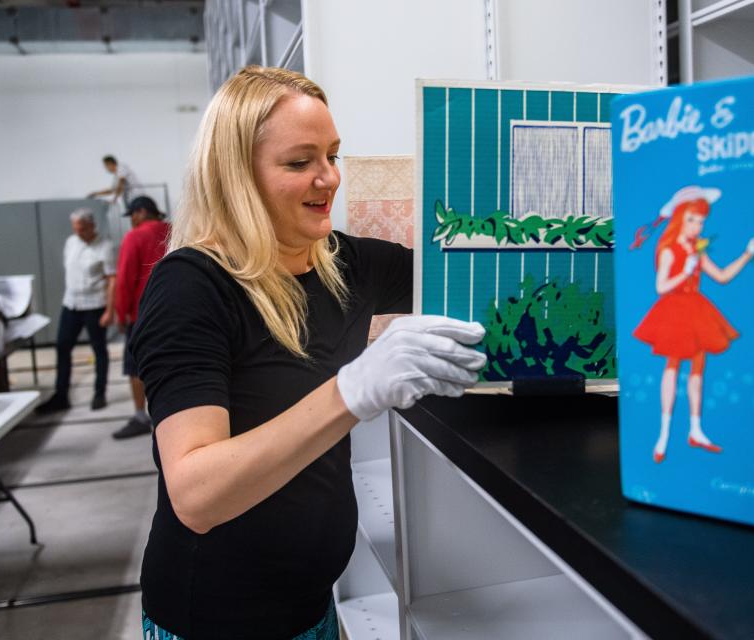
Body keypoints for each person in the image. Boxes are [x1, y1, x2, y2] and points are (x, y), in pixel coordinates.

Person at [128, 66, 486, 639]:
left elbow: (468, 279)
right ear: (236, 176)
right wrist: (353, 390)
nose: (329, 179)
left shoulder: (344, 263)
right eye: (300, 163)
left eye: (333, 156)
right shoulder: (192, 287)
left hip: (315, 609)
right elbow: (195, 494)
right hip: (216, 622)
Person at [632, 186, 754, 463]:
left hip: (696, 310)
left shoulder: (697, 249)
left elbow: (723, 276)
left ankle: (695, 429)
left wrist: (748, 253)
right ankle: (664, 433)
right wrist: (686, 271)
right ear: (680, 217)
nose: (697, 226)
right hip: (674, 310)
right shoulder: (669, 250)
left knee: (698, 368)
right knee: (672, 366)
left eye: (701, 221)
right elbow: (661, 286)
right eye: (692, 219)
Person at [36, 209, 115, 414]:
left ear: (91, 226)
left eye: (82, 229)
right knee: (63, 347)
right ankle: (61, 395)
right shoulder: (71, 242)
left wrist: (110, 310)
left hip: (95, 305)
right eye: (76, 229)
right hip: (71, 304)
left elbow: (111, 280)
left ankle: (99, 393)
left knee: (98, 349)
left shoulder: (104, 246)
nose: (78, 233)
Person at [111, 196, 170, 440]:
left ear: (141, 212)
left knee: (136, 367)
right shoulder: (176, 230)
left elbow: (124, 279)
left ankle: (140, 416)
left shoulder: (134, 237)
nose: (132, 221)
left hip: (143, 314)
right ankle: (171, 416)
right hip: (178, 309)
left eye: (132, 215)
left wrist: (121, 313)